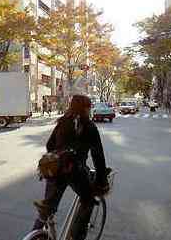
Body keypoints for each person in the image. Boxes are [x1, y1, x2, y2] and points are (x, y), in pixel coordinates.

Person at [32, 95, 109, 240]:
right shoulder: (90, 126)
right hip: (75, 171)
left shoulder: (62, 121)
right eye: (89, 107)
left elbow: (49, 145)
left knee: (47, 209)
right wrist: (101, 181)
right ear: (86, 109)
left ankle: (35, 233)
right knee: (88, 199)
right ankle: (76, 236)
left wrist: (59, 154)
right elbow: (98, 156)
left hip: (53, 169)